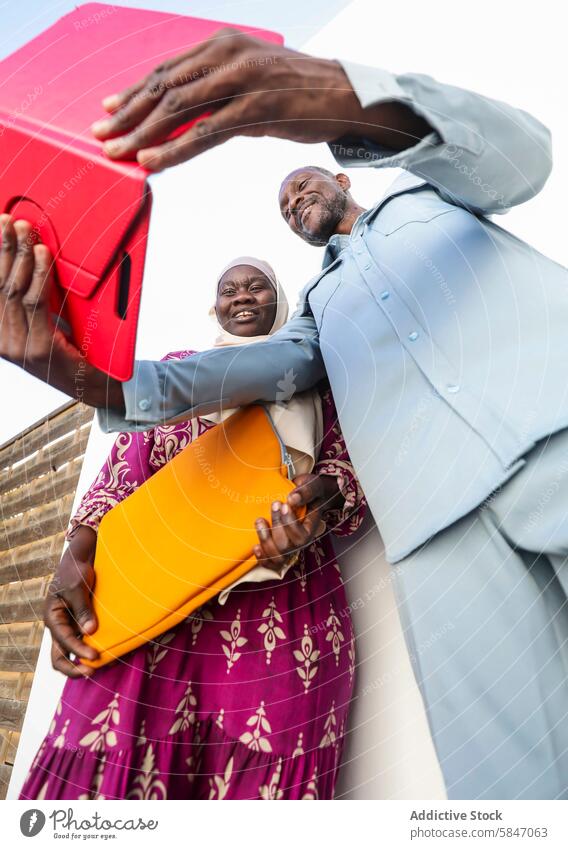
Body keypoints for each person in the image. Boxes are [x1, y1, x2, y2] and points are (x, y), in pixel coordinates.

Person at [2, 30, 567, 799]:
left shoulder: (430, 195)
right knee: (511, 786)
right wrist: (98, 382)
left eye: (302, 185)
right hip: (436, 530)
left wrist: (343, 93)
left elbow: (520, 156)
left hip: (553, 426)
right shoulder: (317, 315)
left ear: (341, 173)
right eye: (284, 204)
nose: (296, 201)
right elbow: (246, 372)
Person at [18, 258, 365, 801]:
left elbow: (349, 471)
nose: (243, 296)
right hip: (156, 590)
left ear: (279, 301)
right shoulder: (184, 369)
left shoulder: (320, 384)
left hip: (283, 603)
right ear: (215, 305)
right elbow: (122, 472)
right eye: (230, 289)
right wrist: (77, 554)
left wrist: (318, 507)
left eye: (257, 286)